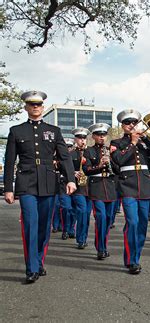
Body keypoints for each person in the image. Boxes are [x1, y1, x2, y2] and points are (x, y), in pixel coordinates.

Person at [4, 90, 76, 283]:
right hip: (26, 182)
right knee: (30, 224)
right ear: (26, 107)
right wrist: (8, 188)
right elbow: (10, 161)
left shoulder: (54, 131)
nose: (35, 107)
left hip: (48, 182)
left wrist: (70, 179)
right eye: (31, 104)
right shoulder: (16, 131)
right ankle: (32, 268)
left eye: (38, 104)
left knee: (44, 227)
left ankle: (38, 259)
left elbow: (65, 157)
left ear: (43, 107)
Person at [110, 109, 150, 274]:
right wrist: (132, 142)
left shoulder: (144, 142)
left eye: (134, 122)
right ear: (122, 125)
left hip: (145, 185)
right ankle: (132, 260)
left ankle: (135, 257)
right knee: (132, 222)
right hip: (128, 185)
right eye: (127, 123)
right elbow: (118, 160)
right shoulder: (117, 142)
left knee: (142, 225)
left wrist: (145, 137)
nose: (131, 125)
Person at [83, 123, 117, 260]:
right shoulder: (88, 151)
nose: (102, 137)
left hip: (110, 186)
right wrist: (100, 165)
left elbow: (118, 169)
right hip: (96, 187)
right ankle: (101, 248)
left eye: (104, 135)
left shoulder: (111, 150)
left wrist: (111, 161)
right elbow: (87, 170)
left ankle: (103, 244)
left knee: (108, 219)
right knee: (101, 217)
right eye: (99, 135)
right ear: (93, 136)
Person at [70, 127, 91, 249]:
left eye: (84, 138)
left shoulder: (91, 152)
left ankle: (83, 236)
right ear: (75, 139)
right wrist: (73, 172)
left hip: (90, 187)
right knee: (82, 211)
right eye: (79, 138)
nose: (82, 140)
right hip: (78, 188)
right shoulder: (71, 153)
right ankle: (81, 239)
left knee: (87, 214)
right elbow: (63, 167)